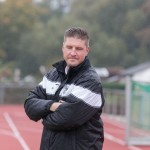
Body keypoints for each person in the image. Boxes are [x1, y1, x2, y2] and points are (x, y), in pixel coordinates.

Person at [24, 27, 105, 150]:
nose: (73, 52)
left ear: (87, 50)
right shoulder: (53, 74)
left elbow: (64, 119)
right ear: (63, 48)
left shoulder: (91, 81)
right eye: (69, 47)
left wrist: (43, 115)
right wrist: (53, 105)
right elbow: (29, 104)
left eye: (78, 48)